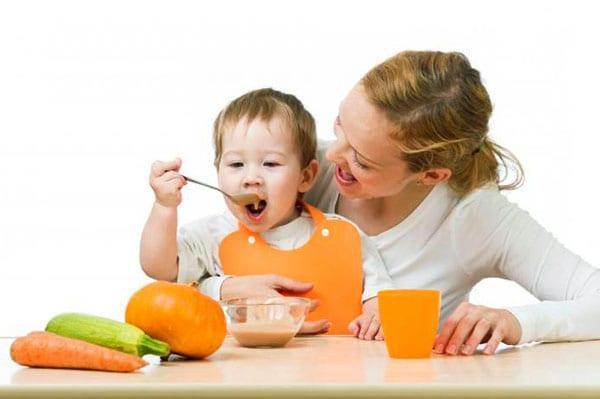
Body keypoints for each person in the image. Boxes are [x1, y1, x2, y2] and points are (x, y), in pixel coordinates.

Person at [215, 51, 600, 355]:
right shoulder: (303, 171)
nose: (334, 157)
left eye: (362, 161)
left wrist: (515, 322)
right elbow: (202, 255)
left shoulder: (475, 217)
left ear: (430, 175)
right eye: (340, 126)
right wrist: (224, 288)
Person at [139, 88, 394, 337]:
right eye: (236, 164)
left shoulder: (345, 235)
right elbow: (159, 269)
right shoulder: (213, 234)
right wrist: (164, 207)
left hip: (334, 374)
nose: (251, 178)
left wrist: (376, 308)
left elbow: (381, 296)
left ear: (306, 177)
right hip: (243, 375)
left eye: (270, 164)